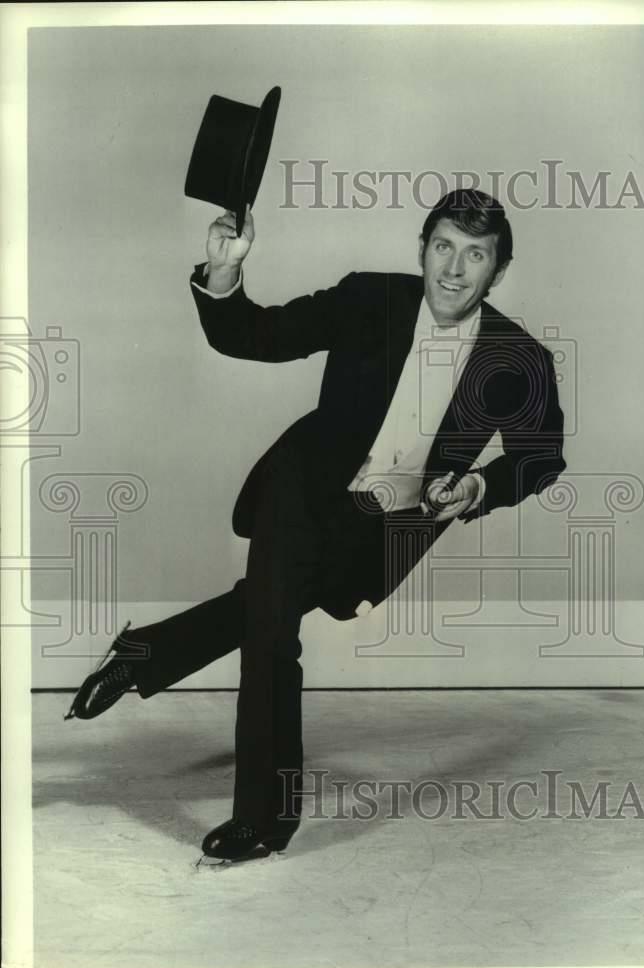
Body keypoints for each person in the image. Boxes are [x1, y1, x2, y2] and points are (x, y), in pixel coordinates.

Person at [65, 188, 566, 863]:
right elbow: (254, 336)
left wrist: (478, 485)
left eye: (474, 255)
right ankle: (262, 821)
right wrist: (223, 271)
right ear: (420, 251)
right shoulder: (369, 300)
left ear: (497, 271)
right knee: (272, 638)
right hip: (301, 490)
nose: (453, 269)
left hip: (388, 524)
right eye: (442, 247)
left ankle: (145, 653)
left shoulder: (519, 358)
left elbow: (540, 457)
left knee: (270, 608)